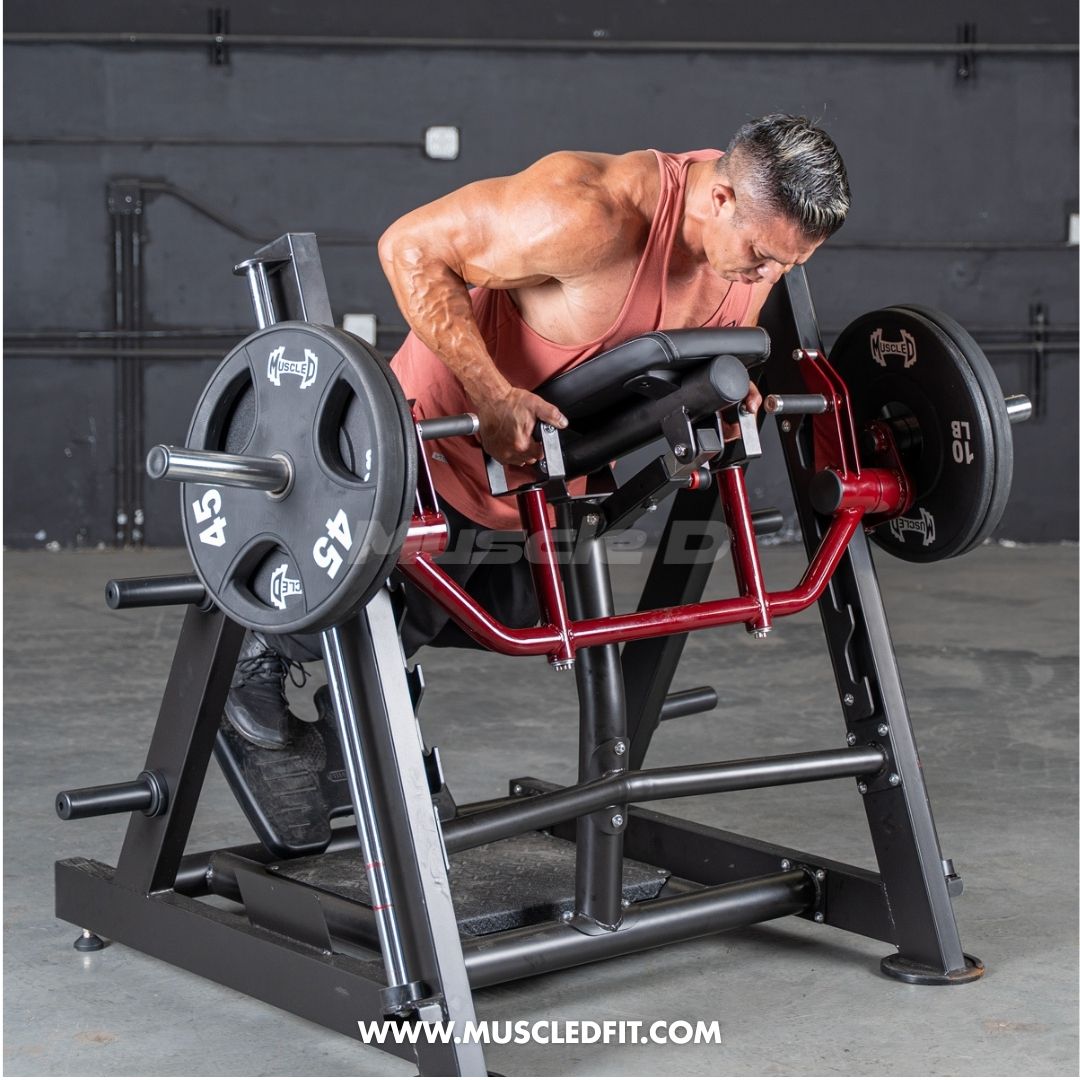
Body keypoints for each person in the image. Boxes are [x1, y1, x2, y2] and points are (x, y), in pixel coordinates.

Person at [225, 113, 851, 749]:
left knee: (521, 612)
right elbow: (410, 246)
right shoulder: (589, 211)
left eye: (786, 265)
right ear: (720, 199)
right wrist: (490, 394)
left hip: (542, 475)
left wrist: (714, 387)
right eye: (762, 257)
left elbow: (667, 336)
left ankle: (368, 673)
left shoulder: (749, 241)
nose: (766, 276)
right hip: (433, 445)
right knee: (394, 597)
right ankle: (262, 647)